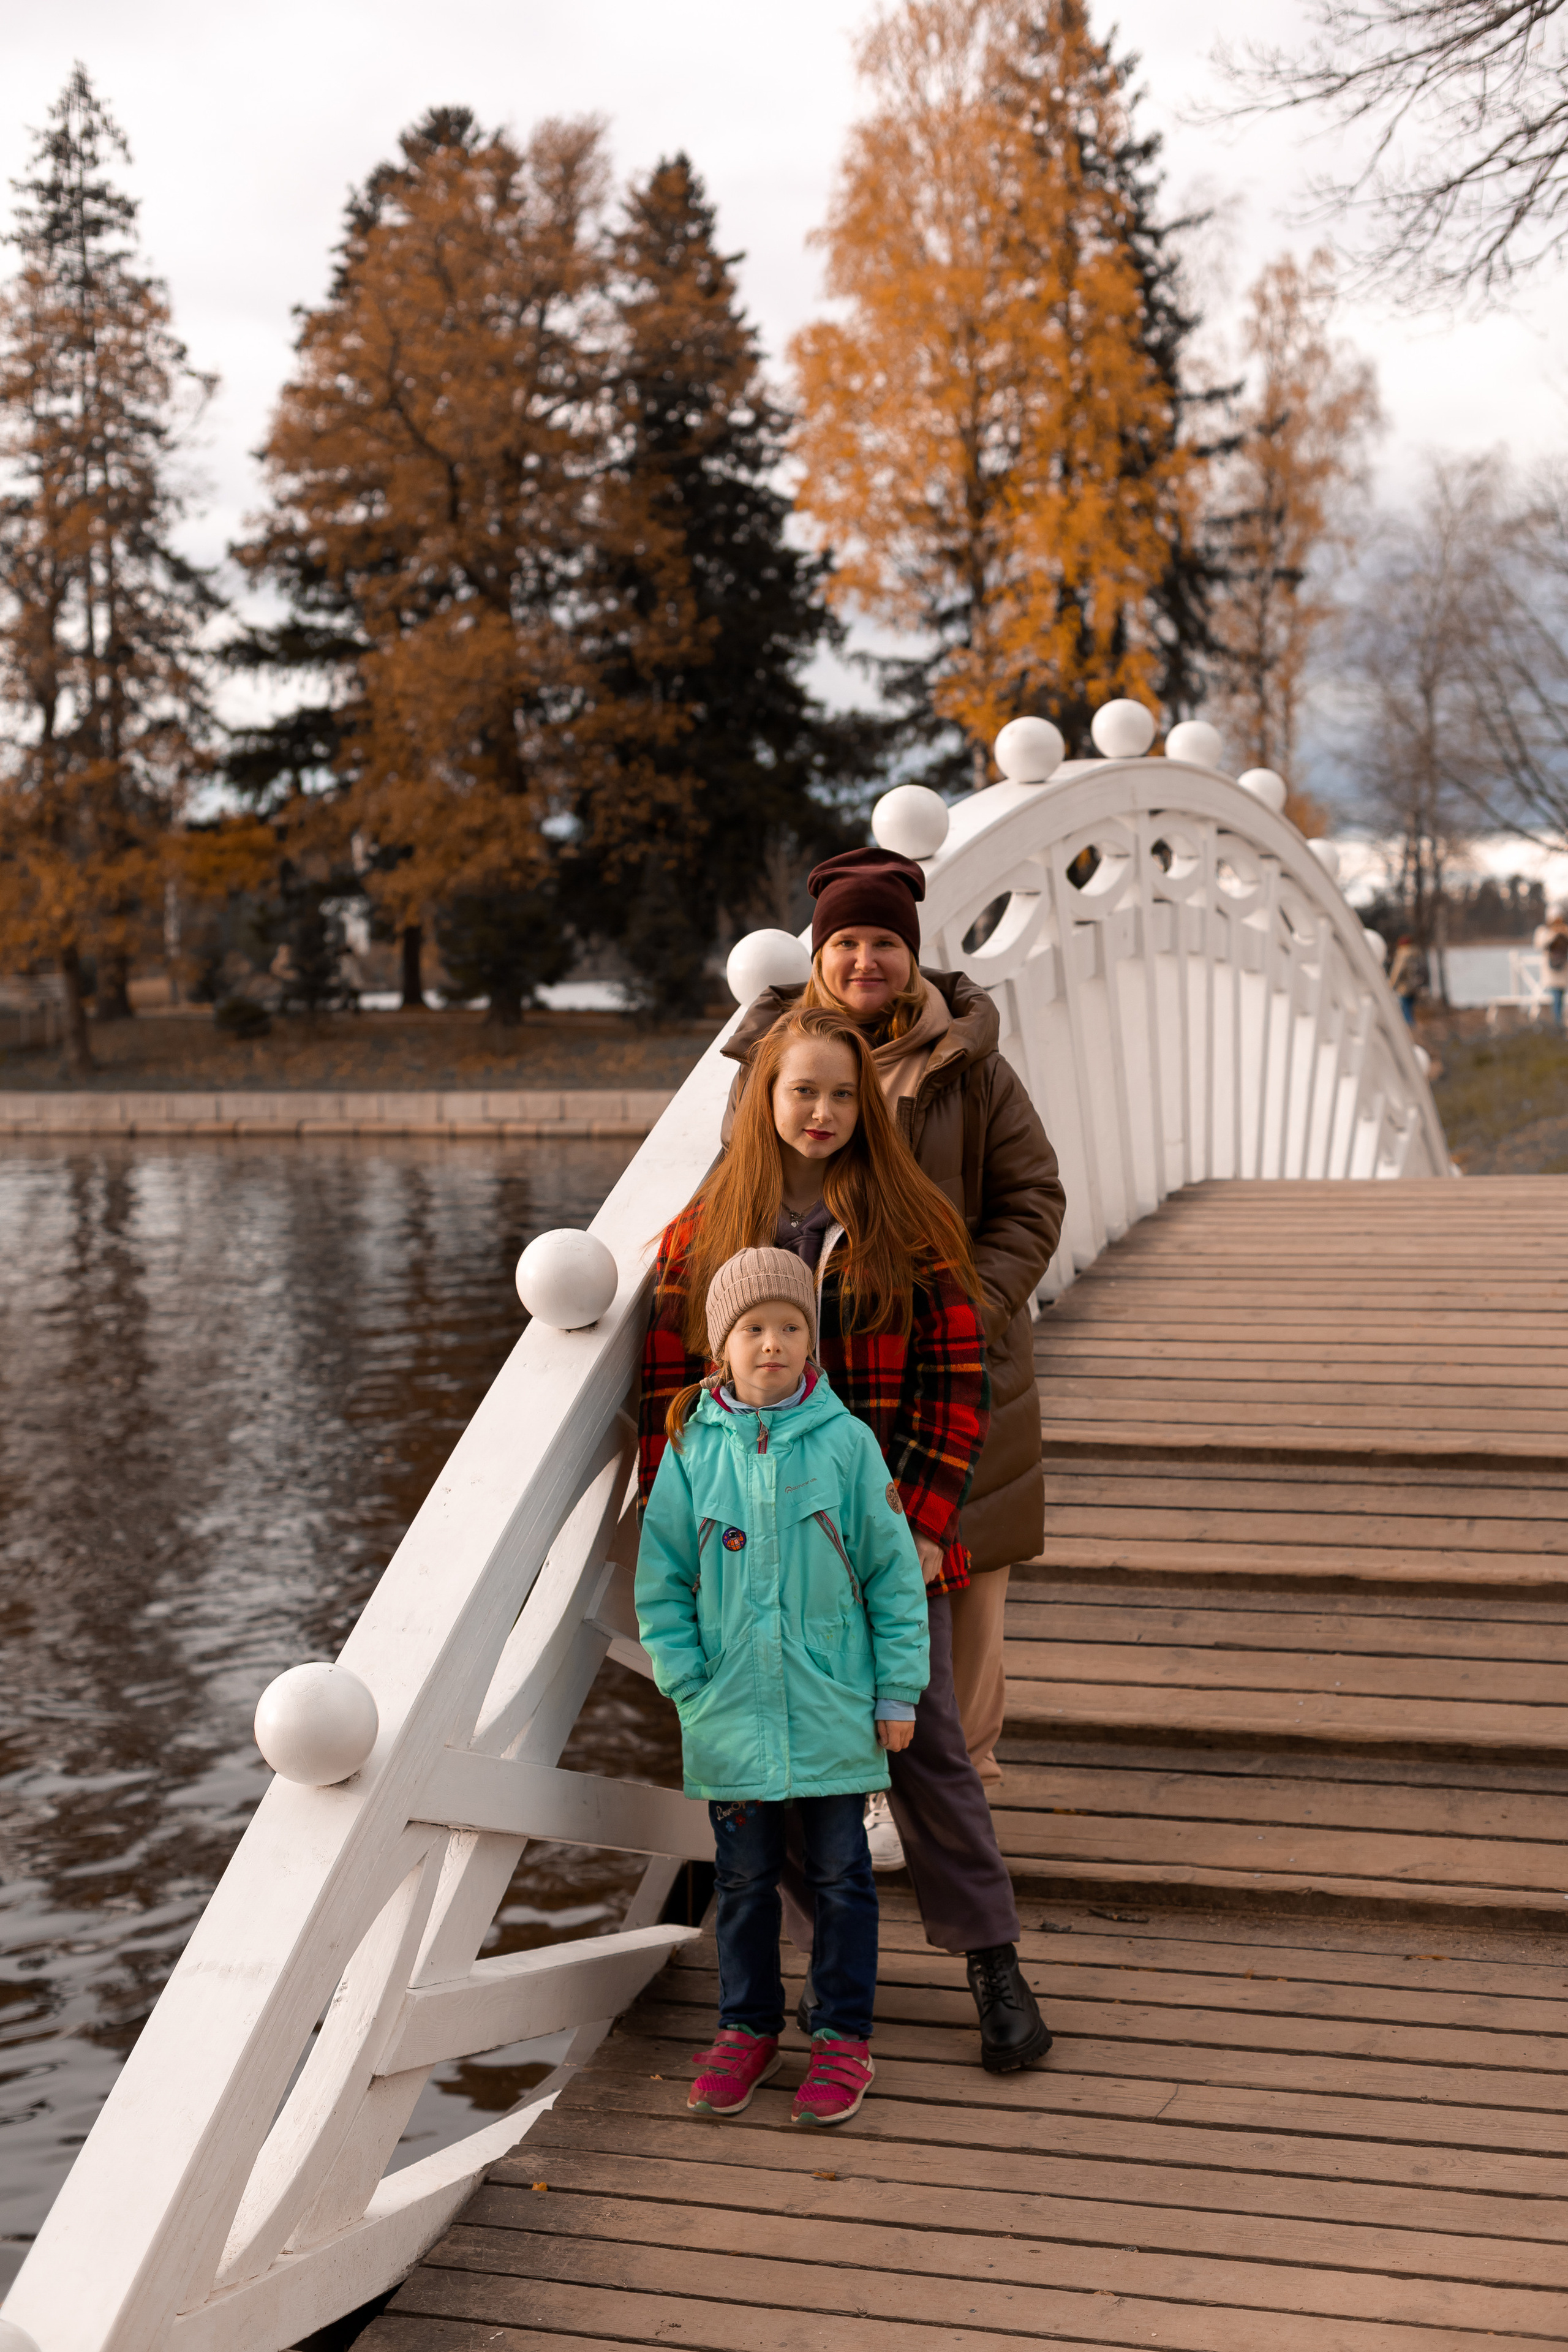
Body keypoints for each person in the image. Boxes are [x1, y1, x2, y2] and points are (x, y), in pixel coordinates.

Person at [641, 1002, 1052, 2073]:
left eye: (838, 1093)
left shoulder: (909, 1221)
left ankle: (991, 1957)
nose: (819, 1111)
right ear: (766, 1100)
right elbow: (665, 1399)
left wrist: (921, 1521)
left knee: (931, 1759)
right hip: (756, 1560)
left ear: (863, 1103)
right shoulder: (709, 1224)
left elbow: (958, 1382)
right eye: (799, 1091)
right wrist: (677, 1526)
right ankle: (832, 1980)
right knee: (769, 1766)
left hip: (879, 1547)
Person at [722, 845, 1066, 1792]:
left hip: (957, 1362)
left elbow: (1033, 1200)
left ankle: (962, 1784)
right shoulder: (772, 1065)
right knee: (831, 1575)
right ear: (819, 954)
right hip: (817, 1371)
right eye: (846, 943)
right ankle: (853, 1784)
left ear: (911, 955)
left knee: (964, 1578)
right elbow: (733, 1194)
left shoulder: (969, 1068)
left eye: (884, 942)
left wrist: (967, 1303)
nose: (864, 961)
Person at [637, 1246, 930, 2127]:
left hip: (834, 1702)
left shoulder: (847, 1445)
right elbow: (660, 1578)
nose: (773, 1343)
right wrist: (688, 1681)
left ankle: (843, 2037)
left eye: (791, 1326)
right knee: (745, 1879)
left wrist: (895, 1695)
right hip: (730, 1708)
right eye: (753, 1329)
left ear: (812, 1341)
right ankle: (747, 2029)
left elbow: (892, 1577)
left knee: (844, 1877)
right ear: (720, 1349)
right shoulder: (692, 1451)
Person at [1534, 911, 1568, 1030]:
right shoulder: (1544, 932)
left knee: (1560, 999)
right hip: (1552, 972)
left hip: (1564, 972)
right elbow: (1540, 945)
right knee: (1557, 999)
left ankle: (1560, 1024)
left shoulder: (1564, 930)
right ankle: (1558, 1025)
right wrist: (1554, 934)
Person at [1387, 935, 1428, 1028]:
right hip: (1414, 986)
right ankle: (1412, 1026)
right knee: (1410, 1007)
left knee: (1404, 1008)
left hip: (1404, 987)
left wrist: (1391, 985)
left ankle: (1409, 1028)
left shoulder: (1403, 954)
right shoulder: (1416, 953)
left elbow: (1398, 971)